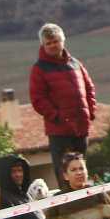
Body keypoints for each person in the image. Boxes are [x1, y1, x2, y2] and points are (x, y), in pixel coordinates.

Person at [28, 23, 96, 191]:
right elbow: (38, 99)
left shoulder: (76, 64)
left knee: (81, 170)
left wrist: (91, 113)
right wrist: (57, 117)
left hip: (81, 127)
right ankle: (68, 209)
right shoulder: (39, 69)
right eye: (48, 43)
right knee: (64, 172)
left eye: (55, 41)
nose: (52, 46)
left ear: (63, 41)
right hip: (59, 131)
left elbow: (89, 89)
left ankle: (87, 202)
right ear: (43, 45)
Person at [44, 153, 110, 219]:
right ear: (65, 176)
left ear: (87, 172)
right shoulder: (57, 199)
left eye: (81, 168)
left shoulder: (98, 192)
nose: (79, 172)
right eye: (73, 170)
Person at [0, 155, 43, 219]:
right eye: (13, 171)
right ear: (5, 174)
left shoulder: (24, 194)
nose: (18, 175)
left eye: (20, 170)